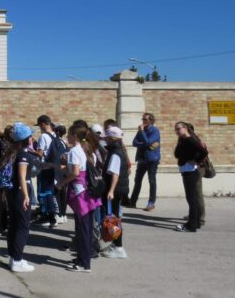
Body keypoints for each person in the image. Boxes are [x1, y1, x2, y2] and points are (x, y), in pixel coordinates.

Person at [58, 125, 102, 273]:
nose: (67, 137)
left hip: (80, 193)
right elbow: (79, 170)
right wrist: (59, 167)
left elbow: (76, 173)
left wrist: (61, 183)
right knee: (87, 228)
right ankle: (83, 258)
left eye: (69, 135)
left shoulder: (74, 151)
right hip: (88, 192)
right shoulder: (87, 150)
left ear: (75, 136)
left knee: (83, 229)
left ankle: (84, 263)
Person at [3, 122, 37, 273]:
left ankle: (14, 257)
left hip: (13, 191)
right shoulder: (23, 154)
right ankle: (17, 260)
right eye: (31, 136)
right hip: (19, 192)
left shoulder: (13, 152)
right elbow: (22, 177)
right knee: (22, 226)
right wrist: (26, 195)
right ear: (26, 139)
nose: (32, 138)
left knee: (14, 224)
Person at [100, 126, 129, 259]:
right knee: (115, 218)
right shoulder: (118, 150)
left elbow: (115, 173)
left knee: (114, 219)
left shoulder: (116, 153)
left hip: (115, 190)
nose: (105, 139)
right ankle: (115, 244)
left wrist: (111, 190)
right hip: (118, 189)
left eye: (106, 137)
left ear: (112, 138)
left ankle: (118, 247)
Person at [173, 121, 208, 232]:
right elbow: (177, 154)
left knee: (191, 198)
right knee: (191, 198)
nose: (177, 131)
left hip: (190, 172)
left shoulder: (190, 140)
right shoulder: (183, 140)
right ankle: (196, 222)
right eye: (176, 129)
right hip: (186, 170)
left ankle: (191, 225)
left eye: (179, 128)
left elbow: (203, 151)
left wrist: (196, 161)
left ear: (185, 128)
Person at [128, 113, 161, 211]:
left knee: (151, 181)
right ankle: (132, 202)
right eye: (142, 119)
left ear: (151, 120)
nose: (143, 121)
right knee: (137, 180)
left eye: (145, 120)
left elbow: (148, 142)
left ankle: (151, 203)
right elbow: (134, 142)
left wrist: (142, 134)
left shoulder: (155, 131)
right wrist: (145, 144)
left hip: (152, 159)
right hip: (142, 159)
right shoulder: (141, 131)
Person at [35, 115, 61, 227]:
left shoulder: (43, 137)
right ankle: (53, 216)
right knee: (50, 193)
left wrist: (31, 151)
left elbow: (40, 154)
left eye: (40, 125)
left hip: (44, 168)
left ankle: (47, 217)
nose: (40, 127)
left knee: (43, 193)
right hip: (54, 167)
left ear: (43, 124)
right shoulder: (55, 135)